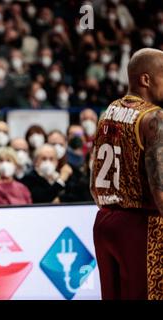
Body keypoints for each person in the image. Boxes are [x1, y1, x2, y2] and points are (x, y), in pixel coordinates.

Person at [91, 48, 163, 300]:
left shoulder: (108, 111)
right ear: (146, 79)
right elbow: (160, 191)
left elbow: (94, 178)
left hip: (104, 221)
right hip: (141, 225)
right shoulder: (154, 117)